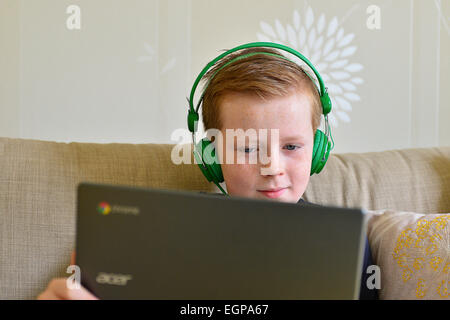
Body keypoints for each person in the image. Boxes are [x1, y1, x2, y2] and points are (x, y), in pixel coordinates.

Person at [38, 43, 377, 300]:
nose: (272, 168)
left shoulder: (347, 242)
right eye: (247, 148)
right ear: (212, 156)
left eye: (291, 147)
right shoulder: (161, 230)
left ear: (317, 151)